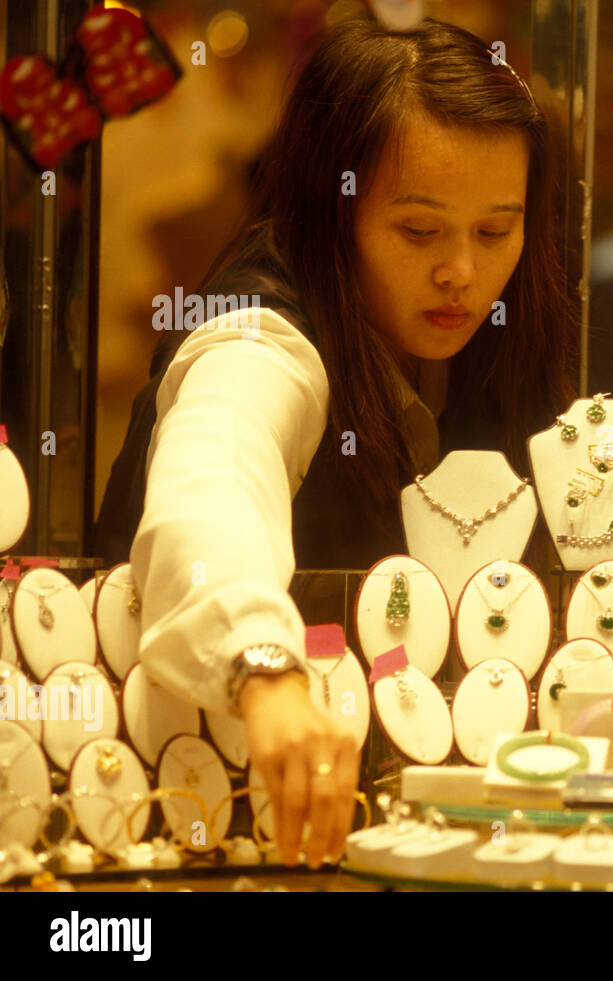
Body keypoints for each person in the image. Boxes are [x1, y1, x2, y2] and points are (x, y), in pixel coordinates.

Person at [93, 18, 577, 867]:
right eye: (420, 231)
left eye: (496, 231)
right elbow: (215, 473)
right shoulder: (260, 336)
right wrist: (266, 669)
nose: (461, 271)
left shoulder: (505, 338)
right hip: (183, 818)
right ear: (333, 206)